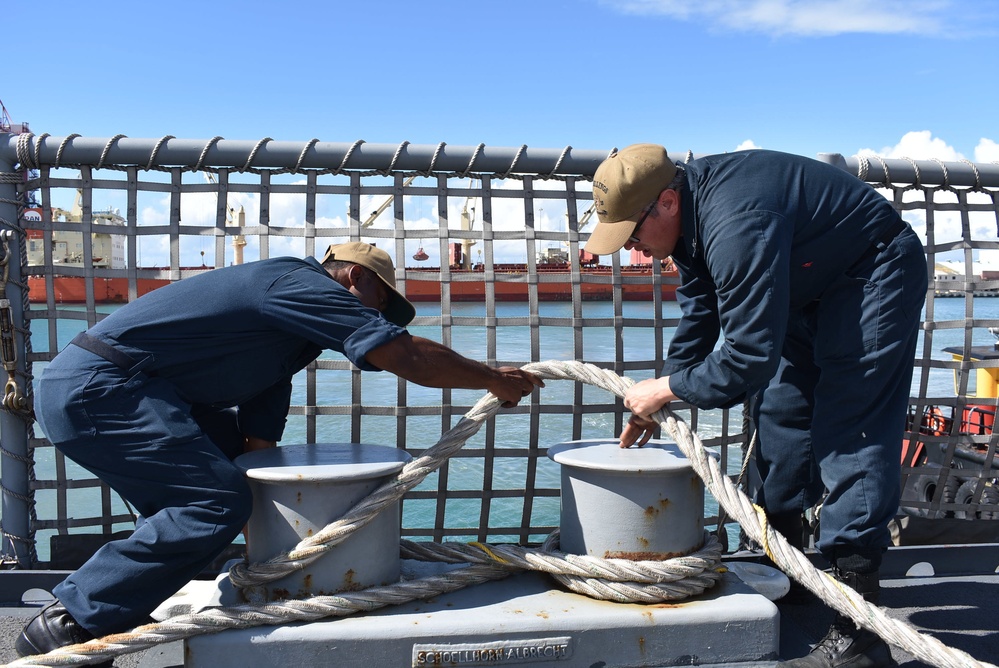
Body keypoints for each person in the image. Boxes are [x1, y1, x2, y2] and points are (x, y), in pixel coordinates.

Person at [18, 242, 544, 659]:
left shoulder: (288, 340)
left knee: (230, 488)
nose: (379, 319)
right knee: (212, 501)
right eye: (381, 305)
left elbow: (258, 443)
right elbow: (406, 357)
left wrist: (262, 537)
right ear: (355, 277)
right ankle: (68, 619)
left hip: (136, 391)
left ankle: (114, 609)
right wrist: (490, 377)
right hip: (102, 388)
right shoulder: (295, 284)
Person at [585, 144, 926, 668]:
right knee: (780, 419)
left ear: (668, 203)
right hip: (803, 287)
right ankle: (788, 570)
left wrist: (665, 390)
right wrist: (660, 394)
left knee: (850, 431)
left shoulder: (736, 220)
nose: (631, 246)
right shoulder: (691, 220)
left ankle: (861, 627)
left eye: (631, 232)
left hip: (871, 274)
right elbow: (701, 307)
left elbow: (747, 357)